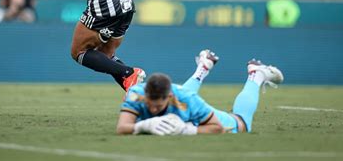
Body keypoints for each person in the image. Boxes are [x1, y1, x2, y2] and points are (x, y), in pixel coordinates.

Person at [116, 49, 284, 135]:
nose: (153, 110)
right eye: (149, 104)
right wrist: (143, 125)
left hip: (191, 115)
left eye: (157, 106)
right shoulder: (135, 94)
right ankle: (203, 67)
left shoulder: (188, 99)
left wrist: (188, 130)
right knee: (183, 101)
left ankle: (256, 74)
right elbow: (122, 127)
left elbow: (216, 128)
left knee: (241, 124)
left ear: (169, 96)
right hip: (180, 103)